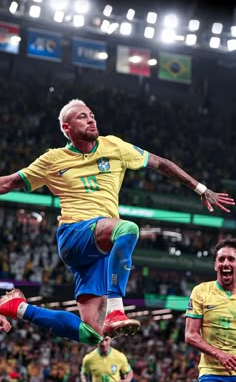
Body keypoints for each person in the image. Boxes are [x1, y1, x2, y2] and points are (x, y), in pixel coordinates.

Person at [0, 99, 234, 347]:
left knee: (92, 333)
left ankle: (17, 307)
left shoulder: (114, 146)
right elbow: (8, 183)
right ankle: (116, 308)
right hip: (75, 234)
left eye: (91, 114)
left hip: (99, 249)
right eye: (82, 116)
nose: (91, 119)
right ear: (67, 128)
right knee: (128, 228)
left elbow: (161, 163)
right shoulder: (52, 160)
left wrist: (200, 188)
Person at [185, 237, 236, 379]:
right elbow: (190, 335)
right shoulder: (201, 291)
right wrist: (220, 355)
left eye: (231, 259)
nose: (226, 263)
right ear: (215, 265)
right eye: (221, 259)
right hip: (212, 373)